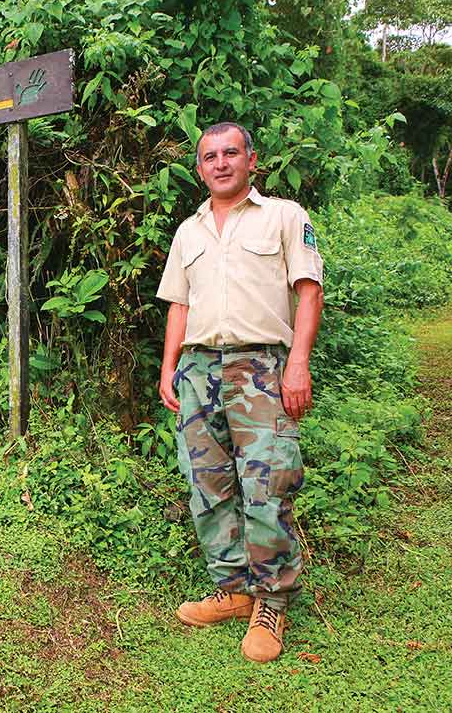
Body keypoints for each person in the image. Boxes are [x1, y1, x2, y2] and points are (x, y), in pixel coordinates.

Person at [156, 122, 324, 663]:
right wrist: (169, 369)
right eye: (209, 156)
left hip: (262, 367)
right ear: (200, 168)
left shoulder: (284, 216)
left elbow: (308, 290)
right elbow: (179, 306)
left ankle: (271, 602)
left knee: (268, 481)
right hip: (199, 369)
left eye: (231, 153)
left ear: (253, 160)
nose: (220, 163)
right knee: (206, 483)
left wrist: (297, 364)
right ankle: (232, 590)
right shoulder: (190, 230)